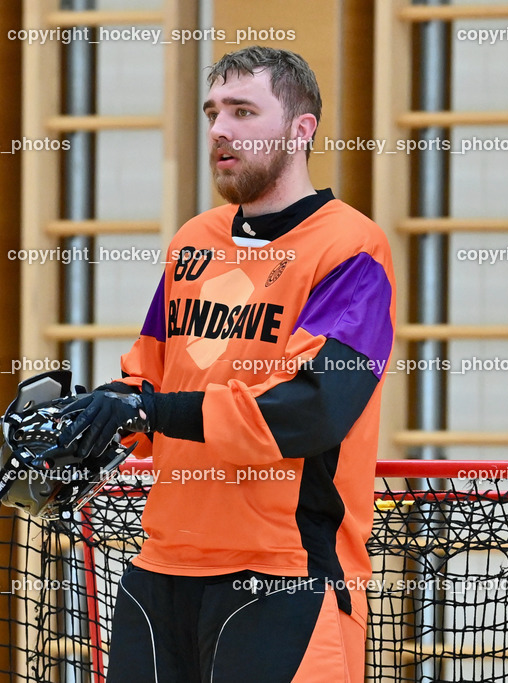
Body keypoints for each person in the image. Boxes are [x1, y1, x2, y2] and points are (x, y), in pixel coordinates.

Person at [57, 46, 396, 683]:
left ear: (302, 130)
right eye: (214, 112)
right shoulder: (193, 241)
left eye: (244, 111)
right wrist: (90, 420)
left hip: (285, 575)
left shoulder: (352, 248)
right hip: (161, 571)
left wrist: (149, 408)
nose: (220, 129)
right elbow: (150, 379)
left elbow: (312, 409)